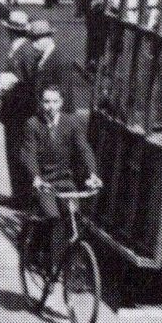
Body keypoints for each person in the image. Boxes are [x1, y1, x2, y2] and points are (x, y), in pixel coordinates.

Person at [21, 86, 102, 274]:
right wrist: (36, 178)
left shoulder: (71, 123)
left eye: (55, 102)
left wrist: (92, 174)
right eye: (46, 102)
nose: (50, 107)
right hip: (45, 183)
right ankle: (37, 254)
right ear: (41, 103)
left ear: (61, 103)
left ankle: (70, 260)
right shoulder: (32, 124)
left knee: (74, 217)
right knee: (52, 217)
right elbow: (28, 154)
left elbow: (84, 149)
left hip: (66, 182)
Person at [0, 13, 64, 209]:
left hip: (18, 111)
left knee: (17, 154)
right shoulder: (33, 51)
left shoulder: (24, 50)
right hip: (21, 111)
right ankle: (22, 195)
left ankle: (21, 196)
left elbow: (18, 80)